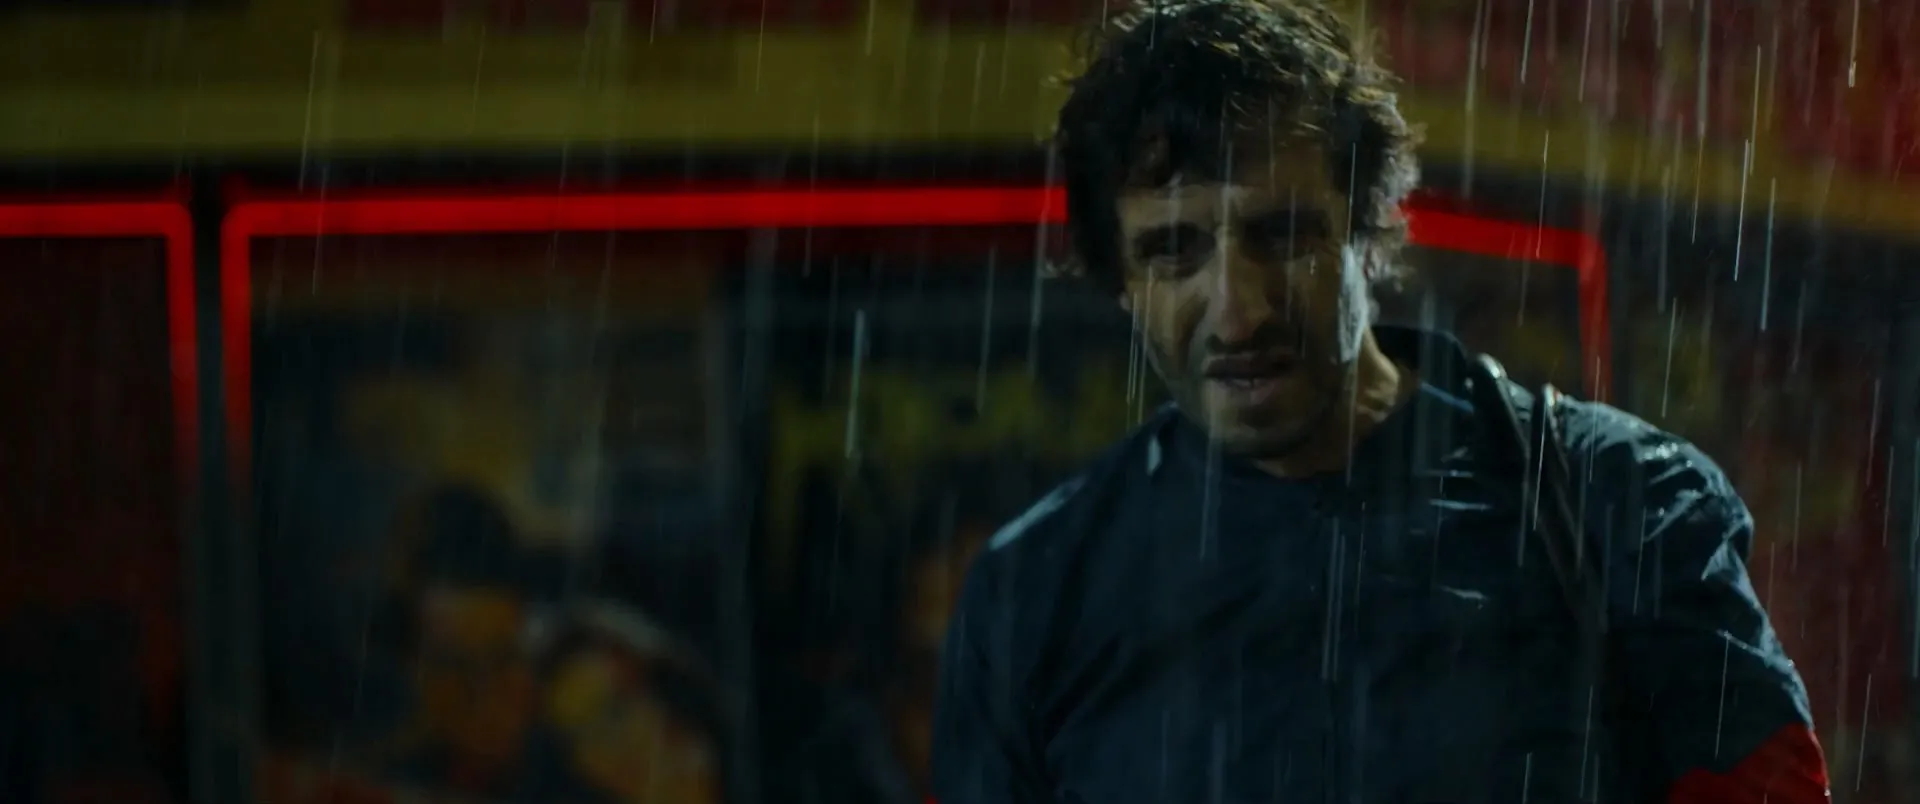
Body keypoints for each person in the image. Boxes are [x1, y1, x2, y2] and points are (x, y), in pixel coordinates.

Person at [929, 2, 1831, 803]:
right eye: (1174, 251)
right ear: (1122, 282)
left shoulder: (1617, 505)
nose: (1239, 312)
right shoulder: (1033, 595)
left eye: (1284, 234)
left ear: (1367, 234)